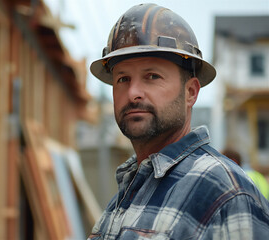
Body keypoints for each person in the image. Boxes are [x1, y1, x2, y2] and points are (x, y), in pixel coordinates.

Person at [88, 3, 269, 239]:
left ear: (191, 92)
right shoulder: (129, 191)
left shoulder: (226, 195)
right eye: (122, 79)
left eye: (152, 76)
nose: (133, 93)